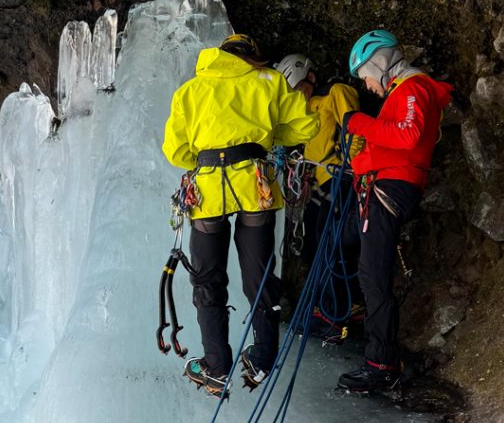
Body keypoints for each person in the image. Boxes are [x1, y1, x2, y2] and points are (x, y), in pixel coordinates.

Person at [162, 34, 319, 396]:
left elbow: (175, 150)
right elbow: (304, 127)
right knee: (260, 275)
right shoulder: (269, 81)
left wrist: (202, 161)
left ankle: (216, 366)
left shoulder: (190, 90)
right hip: (254, 184)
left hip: (208, 191)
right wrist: (267, 135)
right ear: (253, 56)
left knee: (207, 279)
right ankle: (263, 356)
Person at [337, 29, 453, 394]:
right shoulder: (406, 92)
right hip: (384, 187)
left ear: (379, 63)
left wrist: (357, 122)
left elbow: (406, 136)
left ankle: (381, 365)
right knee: (355, 257)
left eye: (365, 76)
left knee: (373, 277)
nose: (368, 86)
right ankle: (360, 337)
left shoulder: (412, 89)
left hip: (389, 190)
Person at [273, 54, 362, 341]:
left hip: (340, 179)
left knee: (330, 244)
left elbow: (354, 127)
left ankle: (335, 314)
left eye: (298, 88)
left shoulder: (336, 92)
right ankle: (329, 307)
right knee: (312, 247)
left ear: (310, 77)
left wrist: (353, 164)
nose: (298, 96)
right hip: (319, 184)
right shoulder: (306, 108)